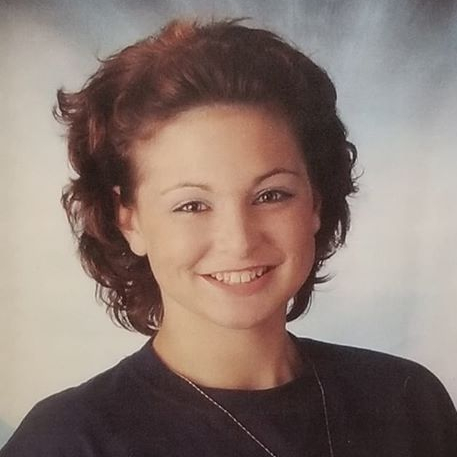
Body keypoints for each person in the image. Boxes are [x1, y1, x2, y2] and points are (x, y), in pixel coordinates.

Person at [1, 18, 456, 457]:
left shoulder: (407, 401)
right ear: (129, 219)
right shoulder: (68, 441)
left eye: (271, 195)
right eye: (192, 205)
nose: (239, 240)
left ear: (315, 202)